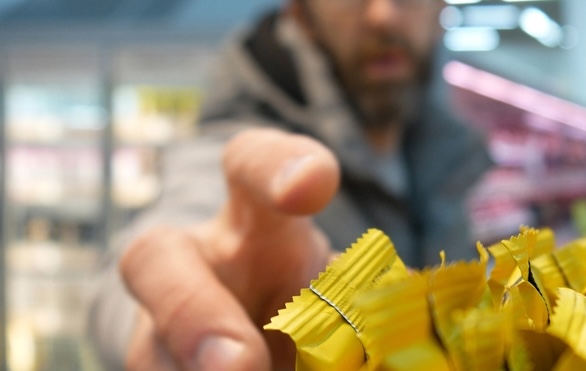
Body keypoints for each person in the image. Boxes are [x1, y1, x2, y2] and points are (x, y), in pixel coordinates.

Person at [88, 0, 493, 369]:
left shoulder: (450, 155)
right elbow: (173, 238)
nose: (384, 15)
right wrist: (163, 318)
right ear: (301, 15)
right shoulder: (247, 149)